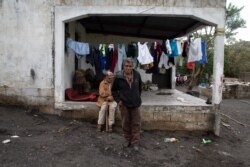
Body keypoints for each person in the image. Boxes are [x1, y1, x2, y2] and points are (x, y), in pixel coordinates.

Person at [111, 58, 142, 151]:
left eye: (130, 66)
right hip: (124, 104)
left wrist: (136, 97)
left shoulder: (137, 75)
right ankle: (127, 140)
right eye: (126, 66)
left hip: (135, 104)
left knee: (136, 123)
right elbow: (113, 90)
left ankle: (135, 142)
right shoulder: (118, 76)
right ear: (123, 66)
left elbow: (140, 88)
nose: (128, 68)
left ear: (133, 67)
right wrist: (118, 100)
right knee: (125, 123)